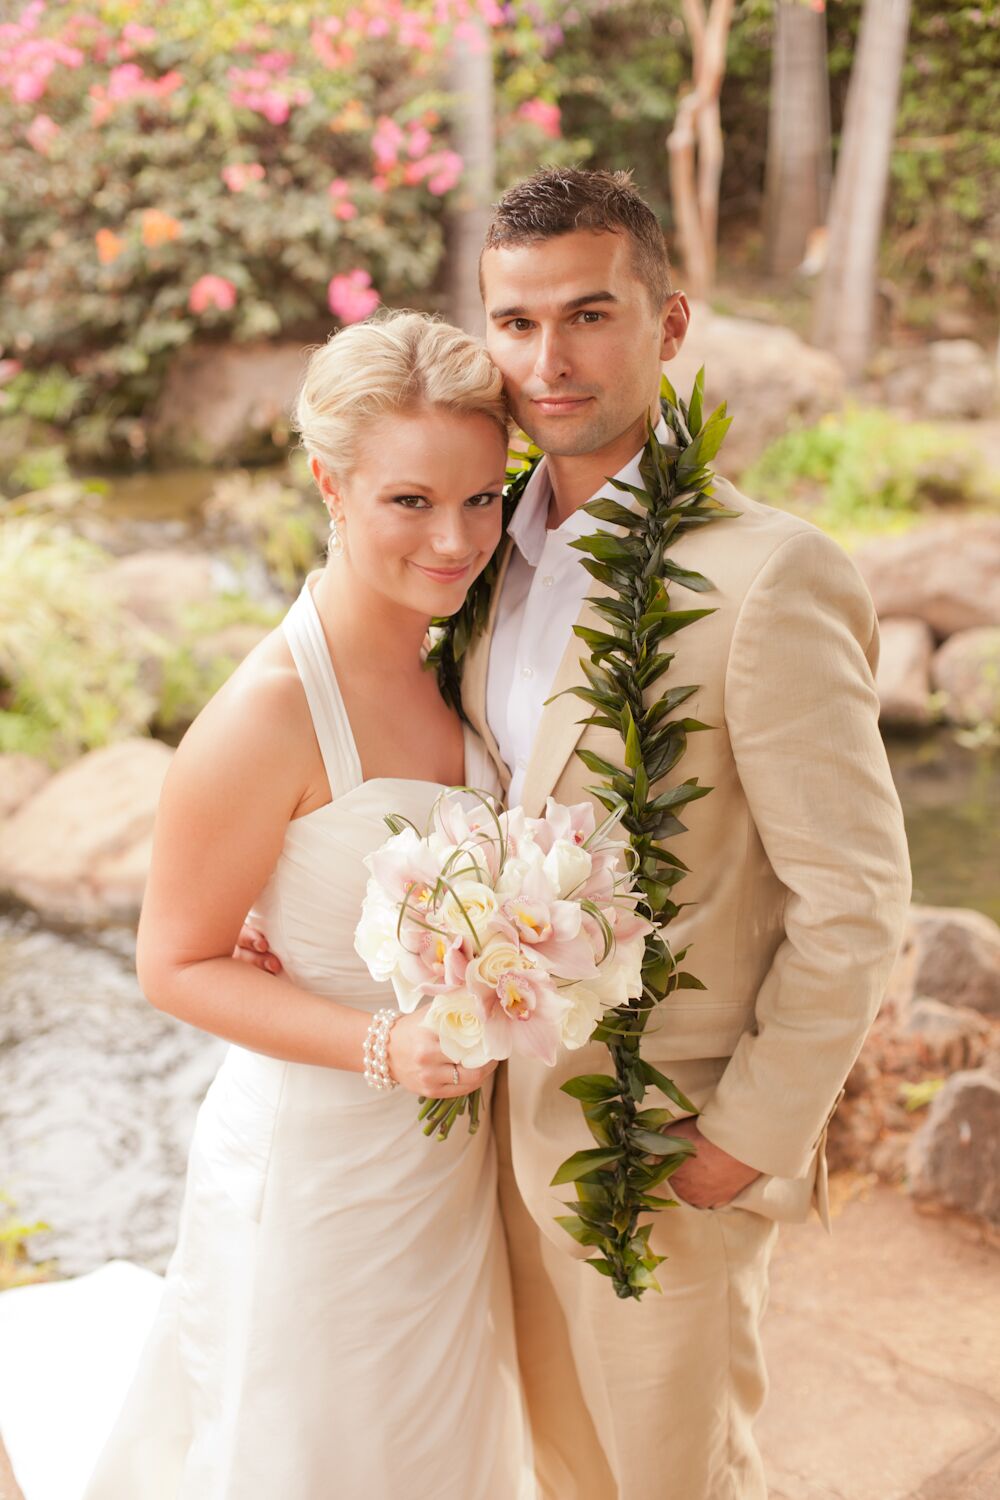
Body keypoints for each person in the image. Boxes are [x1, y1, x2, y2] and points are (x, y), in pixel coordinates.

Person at [235, 168, 912, 1500]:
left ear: (668, 325)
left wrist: (744, 1140)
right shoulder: (477, 551)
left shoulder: (770, 580)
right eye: (517, 320)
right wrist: (310, 900)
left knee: (679, 1482)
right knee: (557, 1473)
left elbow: (857, 897)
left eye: (590, 315)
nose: (548, 359)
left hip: (661, 1154)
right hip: (483, 1141)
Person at [82, 311, 529, 1500]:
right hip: (322, 1179)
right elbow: (173, 963)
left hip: (446, 1176)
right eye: (409, 502)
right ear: (330, 484)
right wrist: (386, 1044)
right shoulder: (265, 714)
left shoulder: (463, 648)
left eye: (484, 499)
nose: (456, 538)